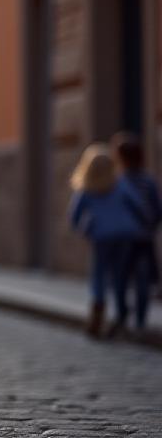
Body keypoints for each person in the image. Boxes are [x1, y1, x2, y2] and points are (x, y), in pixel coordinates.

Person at [70, 143, 150, 338]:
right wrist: (144, 223)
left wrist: (85, 230)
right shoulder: (120, 184)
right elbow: (138, 205)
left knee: (99, 273)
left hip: (102, 236)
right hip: (125, 234)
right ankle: (121, 312)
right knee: (119, 275)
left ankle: (98, 309)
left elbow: (74, 216)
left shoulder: (87, 188)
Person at [112, 133, 159, 334]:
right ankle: (139, 319)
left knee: (121, 278)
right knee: (142, 279)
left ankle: (123, 313)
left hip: (124, 238)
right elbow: (158, 207)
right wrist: (151, 226)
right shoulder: (148, 181)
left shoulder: (118, 182)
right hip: (144, 237)